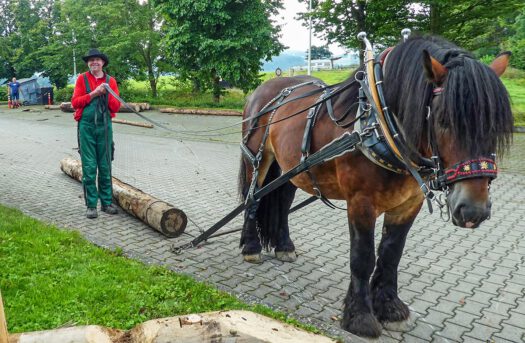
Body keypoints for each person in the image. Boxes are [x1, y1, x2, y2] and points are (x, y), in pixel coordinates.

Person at [71, 48, 121, 219]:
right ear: (88, 63)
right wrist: (94, 93)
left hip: (105, 128)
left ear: (103, 63)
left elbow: (115, 107)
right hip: (86, 127)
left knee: (105, 166)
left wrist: (108, 93)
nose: (94, 62)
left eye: (97, 60)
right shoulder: (82, 79)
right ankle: (91, 205)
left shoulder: (111, 81)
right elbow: (75, 102)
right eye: (91, 60)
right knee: (90, 167)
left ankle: (106, 203)